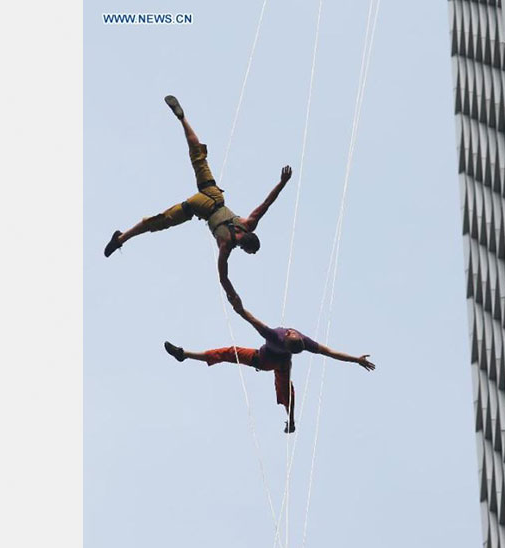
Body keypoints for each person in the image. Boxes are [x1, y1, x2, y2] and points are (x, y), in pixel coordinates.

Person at [104, 95, 292, 260]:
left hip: (213, 194)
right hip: (195, 207)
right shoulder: (226, 246)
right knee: (157, 222)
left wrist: (282, 183)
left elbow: (267, 203)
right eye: (246, 251)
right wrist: (235, 300)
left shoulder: (248, 224)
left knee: (197, 155)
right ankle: (121, 238)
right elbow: (224, 278)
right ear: (246, 246)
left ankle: (182, 119)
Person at [163, 293, 375, 433]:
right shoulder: (302, 341)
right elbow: (328, 352)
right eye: (292, 332)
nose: (292, 330)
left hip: (265, 361)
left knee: (233, 355)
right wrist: (355, 359)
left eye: (292, 333)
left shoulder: (275, 336)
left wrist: (237, 306)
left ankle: (291, 421)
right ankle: (184, 354)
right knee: (233, 356)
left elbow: (250, 318)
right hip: (276, 362)